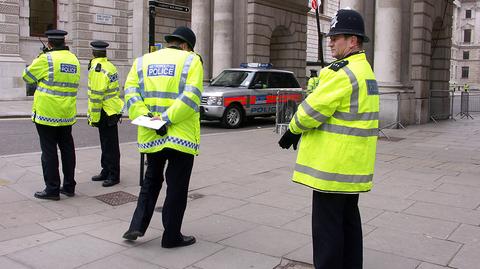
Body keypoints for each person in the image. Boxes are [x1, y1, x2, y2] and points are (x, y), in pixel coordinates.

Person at [278, 9, 379, 269]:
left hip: (332, 166)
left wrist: (293, 129)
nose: (330, 41)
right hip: (352, 165)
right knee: (348, 224)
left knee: (327, 232)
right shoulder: (364, 70)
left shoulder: (342, 72)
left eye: (336, 37)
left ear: (353, 41)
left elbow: (313, 109)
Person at [122, 26, 203, 248]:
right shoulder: (191, 60)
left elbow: (130, 92)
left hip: (152, 133)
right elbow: (191, 97)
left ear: (171, 41)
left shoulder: (142, 61)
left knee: (151, 181)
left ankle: (136, 225)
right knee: (176, 187)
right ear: (186, 45)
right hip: (180, 136)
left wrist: (150, 119)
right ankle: (171, 236)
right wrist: (166, 119)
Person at [22, 30, 80, 200]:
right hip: (67, 113)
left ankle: (52, 189)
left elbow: (27, 77)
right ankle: (69, 186)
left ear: (49, 44)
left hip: (47, 113)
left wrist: (39, 58)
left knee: (49, 151)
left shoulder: (45, 59)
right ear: (63, 42)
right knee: (67, 149)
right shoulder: (73, 59)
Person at [87, 40, 124, 187]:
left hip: (105, 111)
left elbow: (96, 95)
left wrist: (93, 117)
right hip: (112, 109)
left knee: (110, 145)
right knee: (107, 143)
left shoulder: (98, 68)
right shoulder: (109, 65)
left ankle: (113, 175)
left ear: (93, 52)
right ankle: (106, 171)